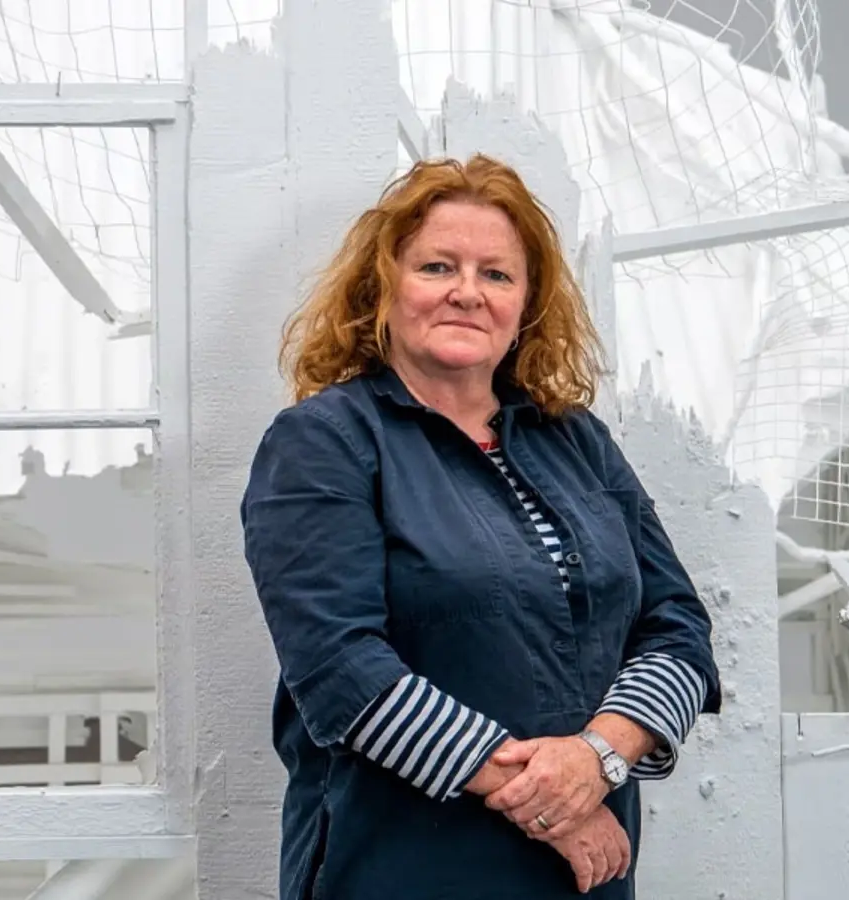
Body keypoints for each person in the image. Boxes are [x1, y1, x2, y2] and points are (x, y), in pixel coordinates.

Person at [239, 154, 721, 899]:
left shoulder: (577, 440)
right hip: (401, 870)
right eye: (437, 266)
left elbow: (679, 628)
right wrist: (553, 806)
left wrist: (598, 759)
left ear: (526, 303)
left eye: (496, 275)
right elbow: (342, 669)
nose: (467, 292)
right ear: (383, 288)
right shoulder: (323, 441)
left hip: (587, 873)